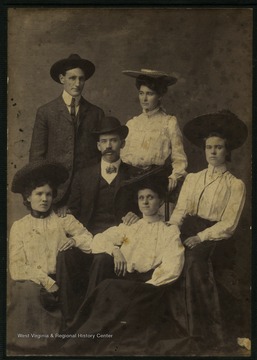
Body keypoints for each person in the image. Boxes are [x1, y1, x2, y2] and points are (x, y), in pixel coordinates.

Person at [58, 173, 185, 356]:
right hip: (126, 280)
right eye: (141, 198)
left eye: (150, 197)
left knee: (109, 287)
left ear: (160, 201)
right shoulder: (131, 227)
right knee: (106, 284)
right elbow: (99, 240)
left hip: (149, 287)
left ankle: (79, 343)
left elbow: (172, 266)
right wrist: (116, 251)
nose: (145, 202)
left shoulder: (169, 231)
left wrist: (149, 285)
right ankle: (81, 337)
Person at [169, 110, 248, 350]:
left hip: (216, 239)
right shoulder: (193, 178)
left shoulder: (235, 184)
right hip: (188, 230)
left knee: (193, 260)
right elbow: (180, 211)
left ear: (227, 151)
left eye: (218, 147)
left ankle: (201, 333)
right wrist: (171, 233)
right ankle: (174, 325)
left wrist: (201, 237)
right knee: (170, 256)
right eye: (209, 147)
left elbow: (228, 224)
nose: (212, 152)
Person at [7, 160, 93, 354]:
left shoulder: (63, 220)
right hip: (36, 281)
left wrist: (76, 241)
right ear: (28, 197)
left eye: (48, 194)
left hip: (63, 284)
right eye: (39, 194)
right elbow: (17, 267)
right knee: (25, 291)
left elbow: (90, 239)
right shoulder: (20, 227)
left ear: (54, 196)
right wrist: (46, 282)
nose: (44, 199)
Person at [29, 54, 105, 208]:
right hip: (55, 191)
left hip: (87, 192)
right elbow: (37, 156)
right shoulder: (46, 112)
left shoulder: (96, 113)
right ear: (62, 78)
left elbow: (100, 156)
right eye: (72, 78)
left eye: (81, 79)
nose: (77, 83)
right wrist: (45, 189)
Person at [67, 116, 140, 235]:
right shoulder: (82, 176)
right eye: (104, 141)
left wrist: (137, 215)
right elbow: (73, 212)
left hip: (124, 235)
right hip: (90, 236)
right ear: (98, 146)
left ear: (122, 144)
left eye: (114, 140)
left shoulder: (136, 174)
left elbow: (144, 208)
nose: (108, 146)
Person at [120, 68, 188, 197]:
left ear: (160, 96)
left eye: (150, 94)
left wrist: (174, 177)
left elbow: (179, 158)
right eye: (141, 93)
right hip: (131, 181)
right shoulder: (132, 124)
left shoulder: (169, 122)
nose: (144, 99)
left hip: (155, 181)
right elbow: (123, 157)